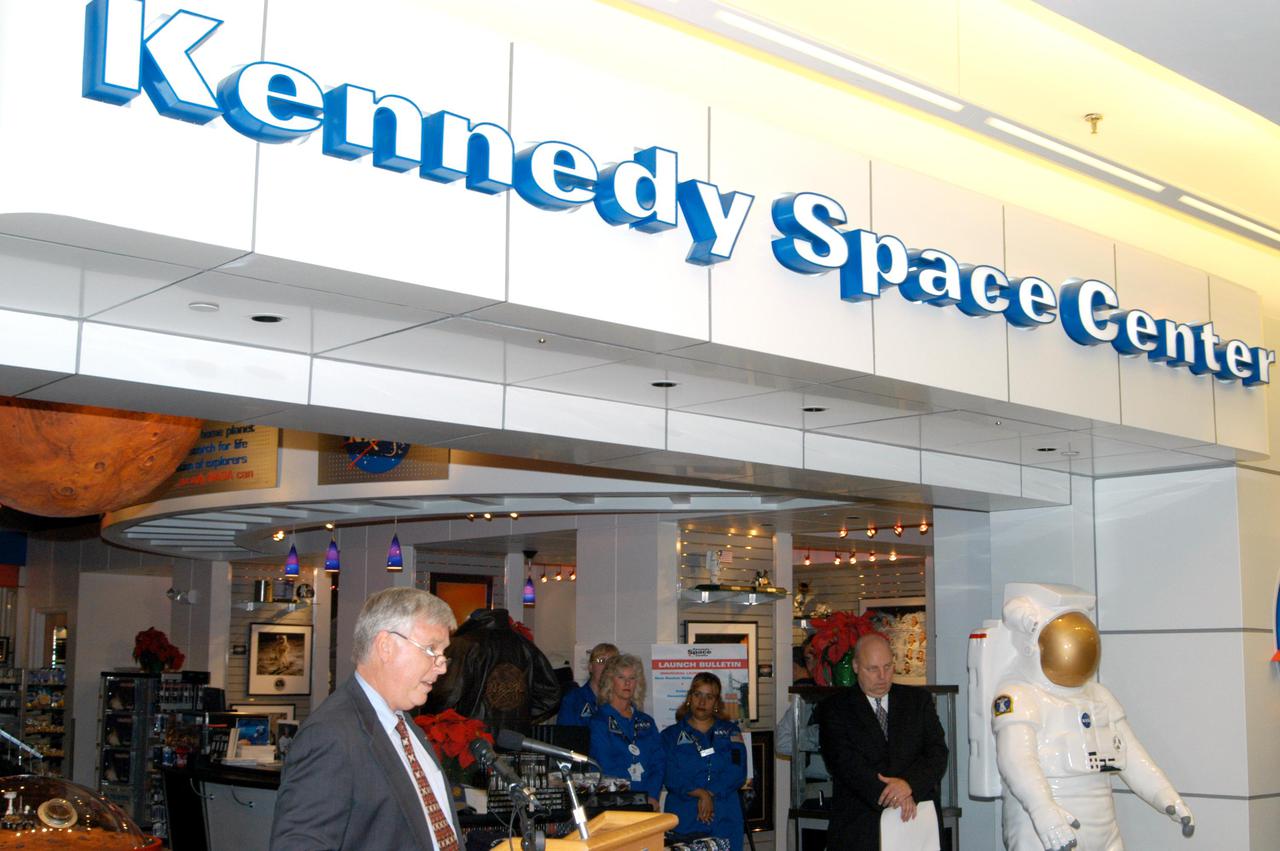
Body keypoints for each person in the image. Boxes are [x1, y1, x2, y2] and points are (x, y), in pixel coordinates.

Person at [988, 585, 1193, 850]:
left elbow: (1131, 754)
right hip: (1047, 824)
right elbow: (1016, 761)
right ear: (1033, 647)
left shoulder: (1097, 695)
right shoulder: (1018, 696)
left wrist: (1164, 795)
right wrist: (1044, 812)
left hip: (1103, 826)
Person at [270, 588, 462, 851]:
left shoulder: (406, 727)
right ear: (386, 646)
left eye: (443, 653)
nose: (441, 666)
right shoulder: (331, 735)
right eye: (431, 649)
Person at [817, 632, 948, 850]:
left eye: (887, 667)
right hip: (861, 828)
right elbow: (843, 763)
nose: (882, 676)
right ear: (856, 666)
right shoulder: (835, 708)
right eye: (873, 669)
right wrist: (894, 795)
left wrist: (908, 786)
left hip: (916, 824)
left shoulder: (918, 701)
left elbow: (937, 753)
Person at [424, 607, 561, 735]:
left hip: (471, 741)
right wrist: (519, 715)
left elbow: (446, 693)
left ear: (470, 621)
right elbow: (550, 694)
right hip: (514, 740)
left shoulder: (463, 644)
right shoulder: (524, 646)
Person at [661, 672, 748, 851]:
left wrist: (710, 793)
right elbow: (669, 774)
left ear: (716, 703)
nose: (702, 702)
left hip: (724, 816)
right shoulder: (670, 735)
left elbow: (737, 772)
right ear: (689, 698)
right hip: (685, 816)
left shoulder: (731, 732)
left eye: (709, 697)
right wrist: (700, 793)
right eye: (698, 694)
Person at [589, 653, 664, 808]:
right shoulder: (599, 721)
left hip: (646, 801)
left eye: (632, 678)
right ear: (610, 681)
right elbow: (604, 764)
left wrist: (652, 795)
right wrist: (629, 797)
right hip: (613, 801)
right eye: (621, 678)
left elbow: (658, 762)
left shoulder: (646, 721)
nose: (627, 683)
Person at [557, 642, 619, 726]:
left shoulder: (622, 701)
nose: (607, 666)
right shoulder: (573, 699)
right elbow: (565, 736)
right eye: (601, 661)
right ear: (590, 667)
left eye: (612, 662)